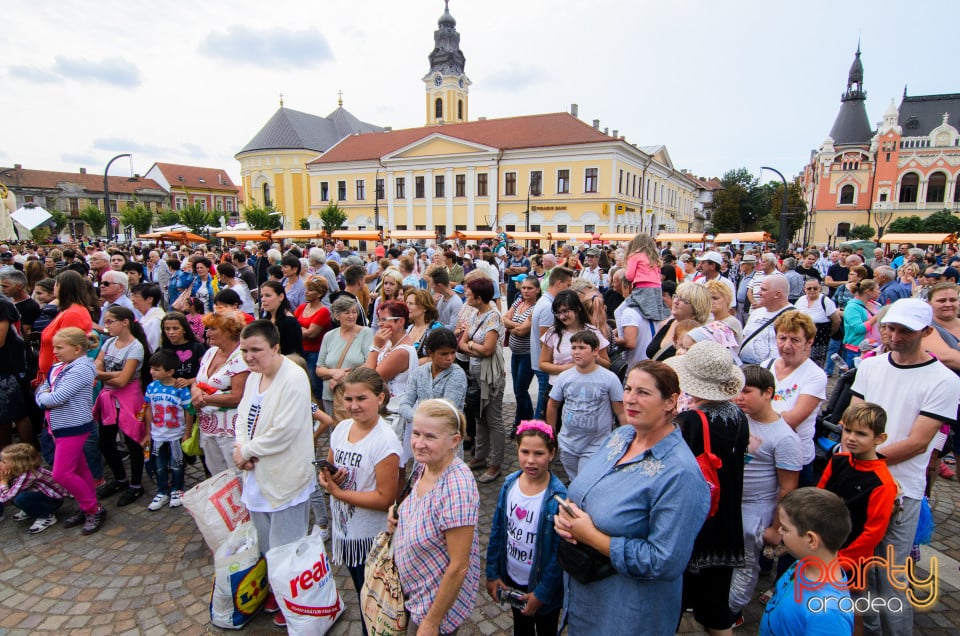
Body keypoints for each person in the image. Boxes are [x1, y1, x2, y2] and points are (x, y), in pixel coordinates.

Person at [553, 361, 710, 635]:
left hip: (628, 610)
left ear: (671, 401)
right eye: (627, 389)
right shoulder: (621, 436)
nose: (630, 399)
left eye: (643, 392)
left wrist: (591, 536)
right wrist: (567, 517)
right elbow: (585, 494)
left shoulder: (680, 474)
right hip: (585, 594)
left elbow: (664, 561)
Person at [848, 298, 960, 635]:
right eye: (890, 327)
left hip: (900, 491)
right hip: (859, 484)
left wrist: (861, 458)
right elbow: (852, 419)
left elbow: (918, 442)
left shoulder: (944, 380)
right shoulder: (870, 366)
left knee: (891, 579)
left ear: (926, 332)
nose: (894, 336)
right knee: (860, 573)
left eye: (904, 330)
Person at [232, 320, 314, 628]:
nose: (249, 357)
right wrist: (241, 447)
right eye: (244, 350)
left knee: (287, 545)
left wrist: (249, 451)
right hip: (256, 474)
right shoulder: (254, 377)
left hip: (285, 475)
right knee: (265, 542)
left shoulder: (293, 378)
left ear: (276, 348)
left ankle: (292, 597)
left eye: (256, 350)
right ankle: (274, 589)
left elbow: (285, 430)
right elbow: (242, 415)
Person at [667, 341, 749, 635]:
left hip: (696, 525)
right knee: (716, 611)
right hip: (727, 521)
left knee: (672, 607)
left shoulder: (689, 421)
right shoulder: (738, 416)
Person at [317, 367, 400, 635]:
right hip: (346, 531)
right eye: (348, 399)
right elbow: (331, 464)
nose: (353, 406)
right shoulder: (341, 429)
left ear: (380, 398)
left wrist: (338, 493)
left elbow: (385, 497)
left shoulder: (385, 441)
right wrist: (329, 477)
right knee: (361, 595)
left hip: (370, 538)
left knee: (374, 600)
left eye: (361, 399)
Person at [388, 399, 480, 635]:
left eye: (430, 437)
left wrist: (431, 622)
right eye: (416, 433)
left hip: (432, 604)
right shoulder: (425, 465)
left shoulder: (457, 487)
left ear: (454, 441)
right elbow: (413, 500)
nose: (418, 443)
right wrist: (397, 512)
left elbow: (459, 565)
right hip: (412, 591)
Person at [728, 365, 801, 623]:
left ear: (768, 392)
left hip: (755, 510)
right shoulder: (736, 418)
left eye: (746, 392)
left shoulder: (785, 438)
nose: (739, 397)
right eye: (737, 391)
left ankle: (731, 613)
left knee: (746, 564)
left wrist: (776, 527)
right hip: (729, 503)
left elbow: (788, 487)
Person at [485, 421, 566, 636]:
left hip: (541, 587)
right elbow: (498, 529)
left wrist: (543, 592)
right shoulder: (510, 484)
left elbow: (559, 553)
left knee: (546, 628)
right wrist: (492, 573)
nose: (530, 460)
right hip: (513, 578)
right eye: (525, 452)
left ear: (552, 453)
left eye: (539, 453)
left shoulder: (558, 497)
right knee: (521, 628)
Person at [32, 327, 106, 534]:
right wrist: (44, 395)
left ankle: (93, 508)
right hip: (60, 426)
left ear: (76, 349)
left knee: (62, 473)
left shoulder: (82, 368)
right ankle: (87, 506)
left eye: (59, 347)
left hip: (73, 425)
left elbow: (55, 397)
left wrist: (42, 398)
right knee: (80, 469)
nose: (54, 351)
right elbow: (44, 388)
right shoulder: (60, 366)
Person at [759, 488, 853, 636]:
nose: (780, 532)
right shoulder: (802, 562)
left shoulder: (828, 613)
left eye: (785, 528)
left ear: (811, 540)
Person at [817, 403, 898, 566]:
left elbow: (872, 533)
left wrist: (840, 561)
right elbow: (818, 499)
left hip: (847, 561)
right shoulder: (838, 460)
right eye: (847, 430)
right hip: (819, 546)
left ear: (879, 438)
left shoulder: (883, 483)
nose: (851, 438)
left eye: (861, 434)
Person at [546, 330, 625, 481]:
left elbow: (620, 412)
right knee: (574, 479)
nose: (576, 352)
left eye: (582, 348)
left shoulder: (609, 379)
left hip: (595, 445)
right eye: (574, 348)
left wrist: (627, 437)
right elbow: (553, 405)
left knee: (585, 481)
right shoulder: (564, 377)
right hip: (568, 443)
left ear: (595, 351)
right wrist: (552, 434)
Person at [93, 306, 150, 507]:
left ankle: (135, 484)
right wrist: (111, 375)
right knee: (105, 441)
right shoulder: (109, 342)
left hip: (129, 398)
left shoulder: (135, 347)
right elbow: (98, 363)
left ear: (124, 322)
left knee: (133, 441)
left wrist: (102, 375)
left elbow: (123, 380)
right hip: (110, 397)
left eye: (109, 322)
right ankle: (120, 479)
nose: (105, 326)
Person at [765, 311, 828, 485]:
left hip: (795, 459)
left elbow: (793, 419)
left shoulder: (815, 375)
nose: (786, 345)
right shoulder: (767, 365)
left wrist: (758, 411)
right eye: (782, 338)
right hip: (765, 454)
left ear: (809, 342)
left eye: (795, 340)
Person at [457, 276, 507, 483]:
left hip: (491, 376)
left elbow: (487, 350)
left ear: (479, 297)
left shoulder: (493, 317)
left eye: (469, 293)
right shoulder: (476, 314)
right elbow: (462, 342)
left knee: (493, 419)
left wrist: (470, 346)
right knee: (479, 416)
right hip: (477, 374)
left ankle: (495, 464)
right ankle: (480, 455)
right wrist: (471, 347)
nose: (466, 295)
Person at [192, 311, 249, 475]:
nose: (208, 333)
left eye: (213, 329)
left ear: (229, 331)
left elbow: (237, 397)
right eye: (208, 328)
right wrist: (196, 392)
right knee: (217, 473)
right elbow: (198, 380)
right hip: (207, 425)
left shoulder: (241, 357)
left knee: (237, 473)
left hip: (230, 426)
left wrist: (205, 399)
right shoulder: (210, 352)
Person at [397, 328, 468, 450]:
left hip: (446, 440)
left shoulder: (457, 375)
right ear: (430, 352)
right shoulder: (420, 372)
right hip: (423, 439)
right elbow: (404, 404)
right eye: (444, 354)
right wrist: (420, 420)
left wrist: (421, 421)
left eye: (452, 352)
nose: (450, 358)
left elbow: (447, 412)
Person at [142, 350, 194, 510]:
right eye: (152, 368)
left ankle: (177, 489)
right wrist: (147, 432)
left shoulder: (180, 389)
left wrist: (187, 432)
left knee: (177, 464)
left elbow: (189, 410)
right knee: (159, 465)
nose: (152, 372)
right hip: (158, 434)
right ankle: (162, 491)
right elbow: (148, 409)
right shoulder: (151, 387)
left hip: (175, 434)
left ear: (170, 371)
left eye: (157, 369)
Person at [316, 296, 374, 421]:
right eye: (346, 312)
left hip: (355, 394)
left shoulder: (366, 333)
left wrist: (341, 378)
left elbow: (369, 363)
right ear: (337, 316)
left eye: (354, 312)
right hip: (330, 393)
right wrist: (334, 372)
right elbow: (319, 368)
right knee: (334, 433)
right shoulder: (329, 336)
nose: (351, 316)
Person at [530, 267, 574, 419]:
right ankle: (537, 439)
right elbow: (546, 342)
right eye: (568, 285)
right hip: (547, 366)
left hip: (543, 364)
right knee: (544, 409)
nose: (569, 289)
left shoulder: (545, 301)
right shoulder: (549, 307)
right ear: (560, 283)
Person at [0, 442, 70, 533]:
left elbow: (7, 498)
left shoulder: (28, 474)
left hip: (53, 501)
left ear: (17, 464)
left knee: (20, 498)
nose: (0, 464)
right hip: (40, 495)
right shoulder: (17, 471)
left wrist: (3, 482)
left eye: (4, 462)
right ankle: (30, 510)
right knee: (16, 492)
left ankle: (46, 516)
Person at [365, 300, 418, 413]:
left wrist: (375, 347)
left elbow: (370, 379)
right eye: (379, 319)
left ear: (400, 321)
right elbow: (367, 366)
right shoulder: (388, 343)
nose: (380, 324)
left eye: (384, 319)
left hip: (393, 409)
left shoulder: (402, 351)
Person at [504, 274, 539, 427]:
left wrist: (510, 325)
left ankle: (519, 423)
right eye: (524, 287)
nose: (525, 291)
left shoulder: (536, 307)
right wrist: (514, 326)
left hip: (527, 354)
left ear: (537, 290)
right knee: (520, 390)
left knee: (520, 390)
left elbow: (522, 331)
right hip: (515, 353)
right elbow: (504, 318)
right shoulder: (518, 301)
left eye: (529, 288)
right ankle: (529, 418)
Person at [646, 281, 711, 362]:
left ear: (696, 308)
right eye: (676, 296)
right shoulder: (670, 322)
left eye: (683, 300)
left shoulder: (696, 334)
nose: (676, 302)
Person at [740, 275, 792, 365]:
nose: (759, 293)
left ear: (777, 294)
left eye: (764, 290)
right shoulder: (756, 313)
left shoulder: (794, 317)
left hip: (771, 372)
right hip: (746, 369)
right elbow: (745, 336)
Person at [295, 277, 332, 399]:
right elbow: (292, 326)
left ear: (320, 293)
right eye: (306, 289)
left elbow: (311, 334)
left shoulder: (323, 311)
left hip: (314, 353)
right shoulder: (301, 307)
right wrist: (302, 330)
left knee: (314, 386)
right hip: (300, 351)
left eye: (310, 290)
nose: (306, 292)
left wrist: (299, 328)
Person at [622, 233, 670, 322]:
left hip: (642, 287)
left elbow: (629, 276)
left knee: (625, 310)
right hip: (657, 287)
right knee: (655, 314)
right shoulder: (653, 257)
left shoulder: (634, 256)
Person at [792, 278, 839, 367]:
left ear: (819, 288)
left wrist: (829, 334)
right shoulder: (801, 300)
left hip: (819, 340)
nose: (812, 290)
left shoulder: (825, 301)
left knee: (815, 365)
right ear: (804, 289)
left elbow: (836, 320)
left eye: (815, 288)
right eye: (809, 288)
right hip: (802, 339)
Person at [159, 312, 208, 387]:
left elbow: (206, 372)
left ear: (184, 329)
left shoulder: (197, 347)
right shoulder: (162, 349)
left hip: (193, 388)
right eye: (167, 329)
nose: (171, 332)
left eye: (175, 328)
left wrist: (189, 381)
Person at [842, 279, 881, 368]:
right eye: (877, 289)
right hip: (858, 350)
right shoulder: (852, 307)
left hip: (875, 349)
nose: (880, 291)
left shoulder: (875, 304)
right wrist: (876, 317)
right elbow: (858, 329)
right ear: (868, 291)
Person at [259, 280, 303, 356]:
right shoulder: (264, 321)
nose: (263, 299)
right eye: (262, 296)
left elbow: (294, 354)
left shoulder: (290, 322)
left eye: (268, 295)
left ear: (281, 297)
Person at [404, 288, 443, 359]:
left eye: (411, 304)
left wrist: (408, 365)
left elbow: (437, 358)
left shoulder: (436, 328)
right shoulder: (409, 328)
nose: (407, 307)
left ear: (425, 308)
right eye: (406, 303)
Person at [130, 283, 165, 353]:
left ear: (150, 299)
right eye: (132, 295)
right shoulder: (145, 317)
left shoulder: (155, 320)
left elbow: (153, 347)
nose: (132, 299)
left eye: (136, 296)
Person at [705, 279, 743, 343]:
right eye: (708, 298)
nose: (711, 302)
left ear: (727, 299)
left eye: (715, 298)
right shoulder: (709, 320)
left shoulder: (732, 322)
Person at [427, 266, 464, 331]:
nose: (431, 287)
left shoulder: (456, 303)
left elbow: (453, 328)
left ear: (439, 285)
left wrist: (433, 326)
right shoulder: (441, 298)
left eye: (432, 284)